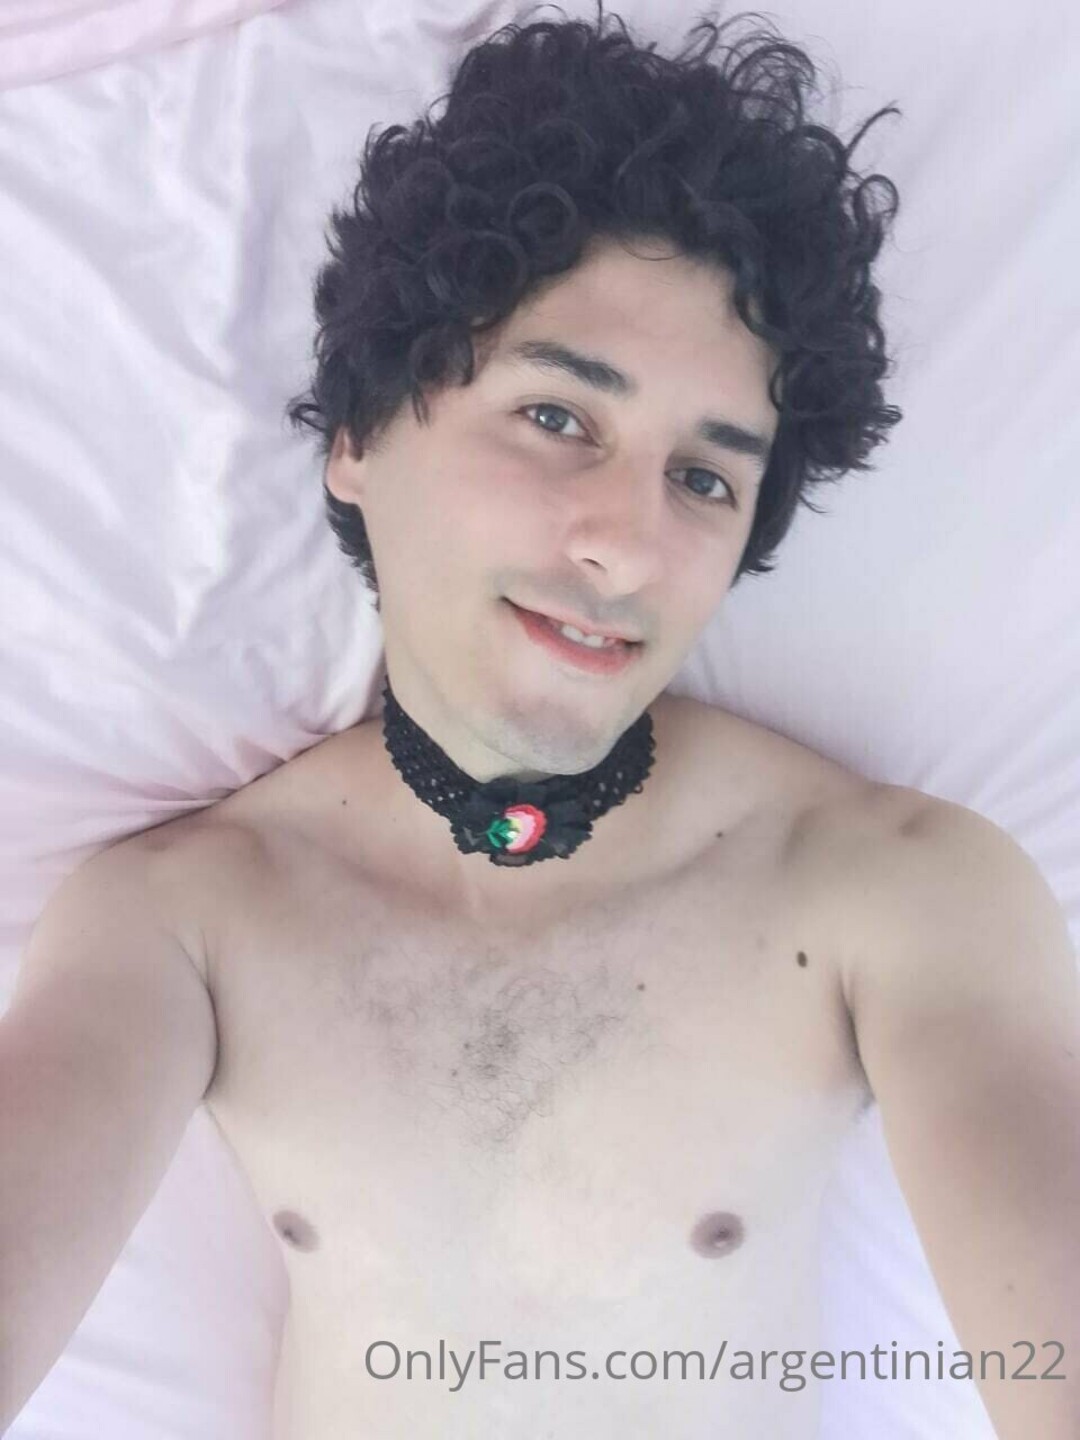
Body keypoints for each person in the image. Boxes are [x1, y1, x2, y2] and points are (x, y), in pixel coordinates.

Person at [4, 4, 1077, 1437]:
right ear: (358, 437)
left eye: (705, 479)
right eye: (560, 419)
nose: (625, 548)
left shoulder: (895, 890)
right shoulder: (183, 919)